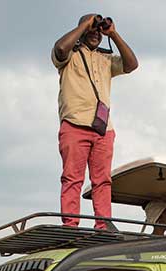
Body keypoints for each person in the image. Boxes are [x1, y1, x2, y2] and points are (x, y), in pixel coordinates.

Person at [52, 14, 138, 229]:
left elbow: (131, 65)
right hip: (74, 124)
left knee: (103, 181)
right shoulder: (69, 55)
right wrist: (84, 25)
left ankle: (103, 224)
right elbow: (60, 49)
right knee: (72, 178)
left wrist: (113, 34)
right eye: (93, 29)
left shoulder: (105, 59)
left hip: (103, 129)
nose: (96, 33)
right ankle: (70, 225)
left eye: (99, 31)